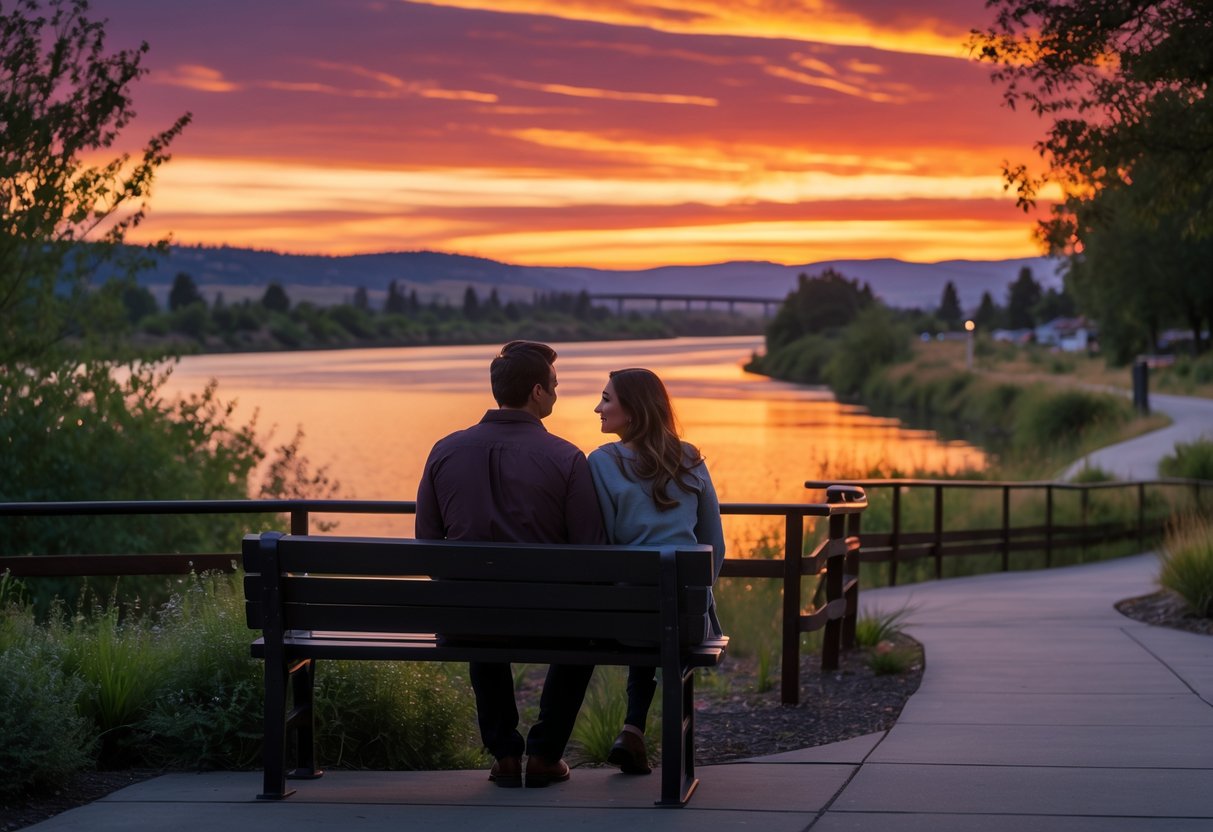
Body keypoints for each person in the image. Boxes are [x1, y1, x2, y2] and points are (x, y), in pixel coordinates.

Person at [415, 340, 605, 789]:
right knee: (588, 633)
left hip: (468, 619)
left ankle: (504, 754)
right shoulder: (567, 458)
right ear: (537, 392)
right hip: (550, 621)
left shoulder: (444, 450)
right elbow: (592, 552)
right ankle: (544, 755)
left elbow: (426, 545)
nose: (558, 394)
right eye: (555, 386)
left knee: (479, 611)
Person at [587, 367, 725, 776]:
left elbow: (607, 542)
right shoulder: (690, 456)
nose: (598, 407)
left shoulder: (601, 462)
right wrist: (699, 598)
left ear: (633, 409)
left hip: (627, 617)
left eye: (607, 399)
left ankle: (634, 728)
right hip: (688, 619)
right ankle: (634, 729)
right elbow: (714, 544)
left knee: (642, 599)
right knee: (662, 608)